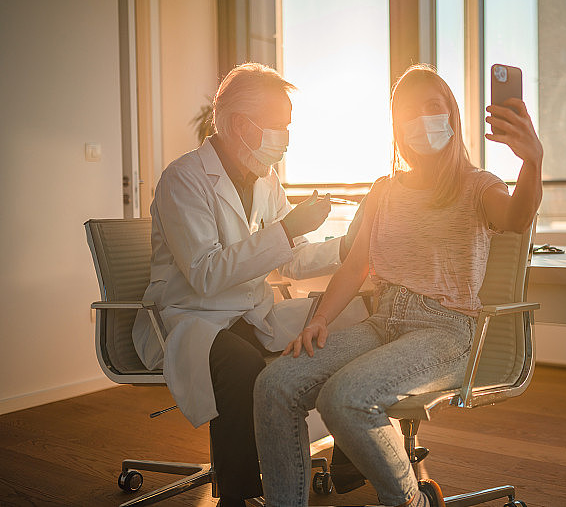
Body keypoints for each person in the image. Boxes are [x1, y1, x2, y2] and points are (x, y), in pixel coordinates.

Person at [253, 65, 543, 507]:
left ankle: (411, 501)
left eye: (434, 106)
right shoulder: (384, 191)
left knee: (344, 399)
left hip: (446, 332)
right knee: (274, 385)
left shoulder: (477, 185)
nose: (423, 119)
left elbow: (517, 219)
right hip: (384, 322)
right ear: (397, 127)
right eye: (410, 111)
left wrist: (531, 161)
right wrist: (320, 319)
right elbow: (356, 265)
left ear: (452, 115)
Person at [131, 63, 362, 506]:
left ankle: (350, 457)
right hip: (192, 320)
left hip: (251, 313)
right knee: (242, 367)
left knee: (353, 320)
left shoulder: (265, 179)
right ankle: (239, 495)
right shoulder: (183, 179)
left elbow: (291, 258)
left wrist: (348, 246)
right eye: (279, 126)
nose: (286, 139)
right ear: (240, 125)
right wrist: (287, 230)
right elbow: (205, 273)